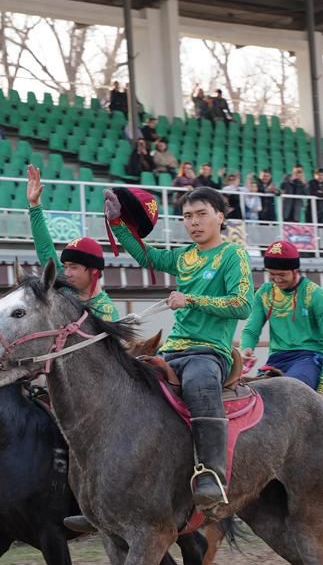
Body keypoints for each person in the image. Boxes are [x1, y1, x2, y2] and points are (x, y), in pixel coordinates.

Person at [63, 185, 252, 533]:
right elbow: (146, 256)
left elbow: (243, 305)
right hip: (173, 351)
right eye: (187, 217)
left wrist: (192, 300)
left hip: (210, 353)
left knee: (198, 383)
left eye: (201, 215)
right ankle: (105, 498)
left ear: (220, 218)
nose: (193, 223)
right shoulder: (184, 257)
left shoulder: (233, 256)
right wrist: (118, 222)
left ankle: (212, 476)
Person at [240, 241, 323, 395]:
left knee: (288, 393)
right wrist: (246, 349)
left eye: (282, 274)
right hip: (276, 361)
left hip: (310, 359)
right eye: (272, 274)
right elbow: (251, 331)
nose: (276, 279)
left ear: (295, 270)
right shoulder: (264, 293)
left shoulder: (315, 294)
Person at [26, 164, 118, 321]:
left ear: (94, 270)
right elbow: (45, 249)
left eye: (73, 267)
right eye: (66, 266)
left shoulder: (107, 313)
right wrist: (35, 206)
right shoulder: (66, 285)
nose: (66, 273)